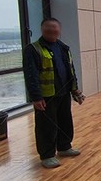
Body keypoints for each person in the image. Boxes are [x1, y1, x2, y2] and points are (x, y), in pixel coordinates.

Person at [23, 17, 85, 168]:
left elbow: (70, 70)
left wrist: (75, 89)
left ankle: (64, 147)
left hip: (63, 93)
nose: (51, 30)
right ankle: (47, 155)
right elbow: (30, 75)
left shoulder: (63, 48)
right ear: (42, 30)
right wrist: (36, 97)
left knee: (65, 121)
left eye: (54, 28)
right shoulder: (33, 49)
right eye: (48, 28)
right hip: (46, 96)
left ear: (59, 30)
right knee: (46, 126)